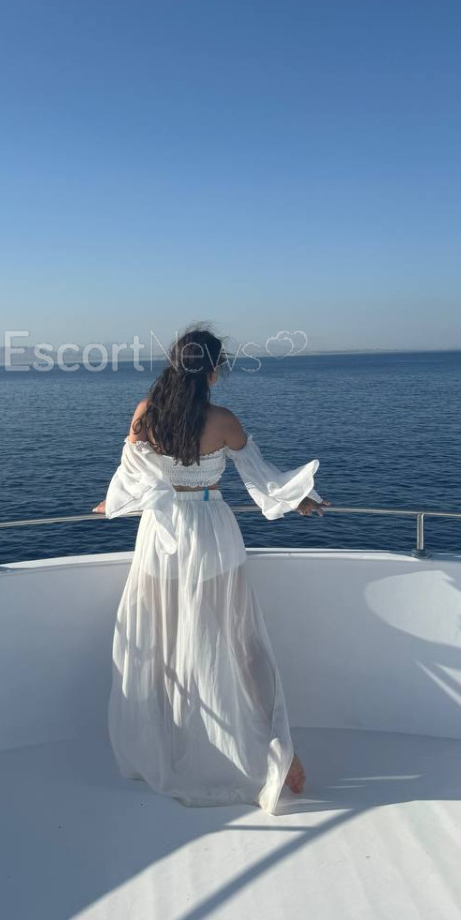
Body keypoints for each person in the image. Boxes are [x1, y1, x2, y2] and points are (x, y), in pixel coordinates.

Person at [92, 325, 329, 814]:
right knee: (237, 643)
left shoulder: (146, 413)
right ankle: (275, 752)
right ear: (214, 371)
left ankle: (170, 748)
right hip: (211, 533)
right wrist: (299, 500)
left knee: (163, 639)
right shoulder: (222, 421)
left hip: (161, 535)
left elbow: (129, 474)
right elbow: (261, 479)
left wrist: (111, 503)